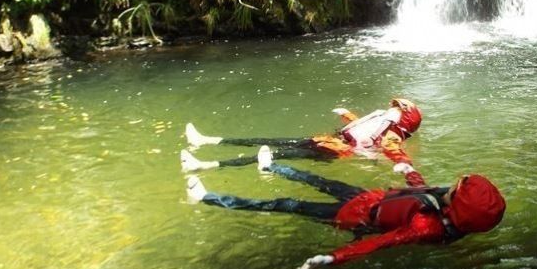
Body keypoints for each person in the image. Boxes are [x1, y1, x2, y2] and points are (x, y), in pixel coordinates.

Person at [185, 146, 506, 269]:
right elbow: (423, 191)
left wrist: (335, 256)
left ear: (460, 204)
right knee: (319, 180)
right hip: (372, 199)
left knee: (287, 205)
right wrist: (409, 170)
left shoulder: (425, 226)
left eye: (460, 186)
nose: (455, 183)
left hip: (357, 217)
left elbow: (381, 243)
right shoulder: (449, 208)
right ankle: (273, 166)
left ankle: (207, 198)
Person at [181, 98, 422, 172]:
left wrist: (404, 165)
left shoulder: (393, 135)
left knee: (277, 153)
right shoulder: (387, 123)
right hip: (329, 140)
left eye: (398, 108)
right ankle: (206, 140)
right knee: (268, 141)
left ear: (404, 118)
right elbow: (363, 126)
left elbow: (392, 150)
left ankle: (204, 165)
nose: (393, 107)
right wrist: (347, 115)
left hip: (335, 150)